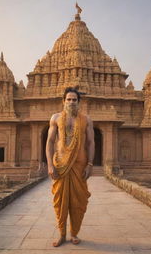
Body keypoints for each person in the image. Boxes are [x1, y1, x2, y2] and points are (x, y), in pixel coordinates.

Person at [46, 87, 95, 247]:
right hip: (60, 164)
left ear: (79, 102)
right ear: (63, 101)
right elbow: (50, 142)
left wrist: (90, 164)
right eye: (69, 99)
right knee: (60, 201)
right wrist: (50, 165)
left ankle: (74, 233)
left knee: (78, 201)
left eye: (74, 99)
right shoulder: (56, 118)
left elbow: (90, 143)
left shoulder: (86, 119)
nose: (72, 102)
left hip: (79, 165)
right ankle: (61, 234)